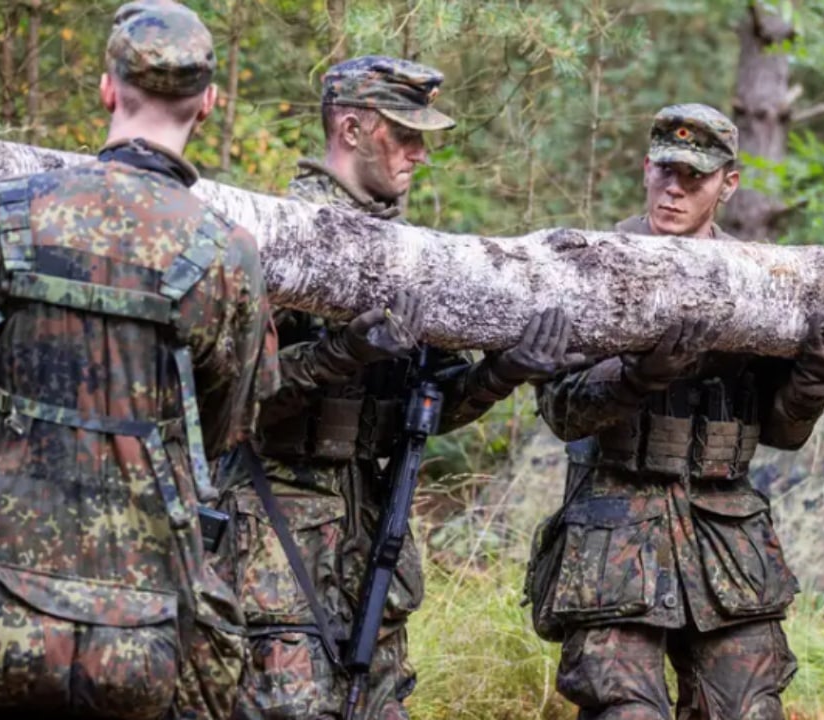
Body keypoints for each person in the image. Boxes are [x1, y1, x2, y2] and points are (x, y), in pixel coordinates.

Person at [220, 55, 578, 720]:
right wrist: (340, 353)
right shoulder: (278, 238)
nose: (419, 154)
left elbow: (427, 410)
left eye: (423, 138)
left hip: (369, 533)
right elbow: (235, 403)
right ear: (352, 129)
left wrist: (502, 374)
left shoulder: (415, 254)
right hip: (273, 532)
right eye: (403, 135)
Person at [0, 1, 278, 718]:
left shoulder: (3, 213)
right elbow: (225, 432)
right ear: (210, 104)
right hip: (146, 621)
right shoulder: (228, 254)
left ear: (107, 88)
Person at [526, 103, 824, 720]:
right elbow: (562, 413)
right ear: (646, 167)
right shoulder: (593, 262)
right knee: (625, 710)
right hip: (614, 533)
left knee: (749, 710)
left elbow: (782, 432)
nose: (674, 189)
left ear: (728, 184)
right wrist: (637, 376)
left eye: (694, 178)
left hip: (728, 540)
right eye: (665, 172)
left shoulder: (761, 281)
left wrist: (817, 375)